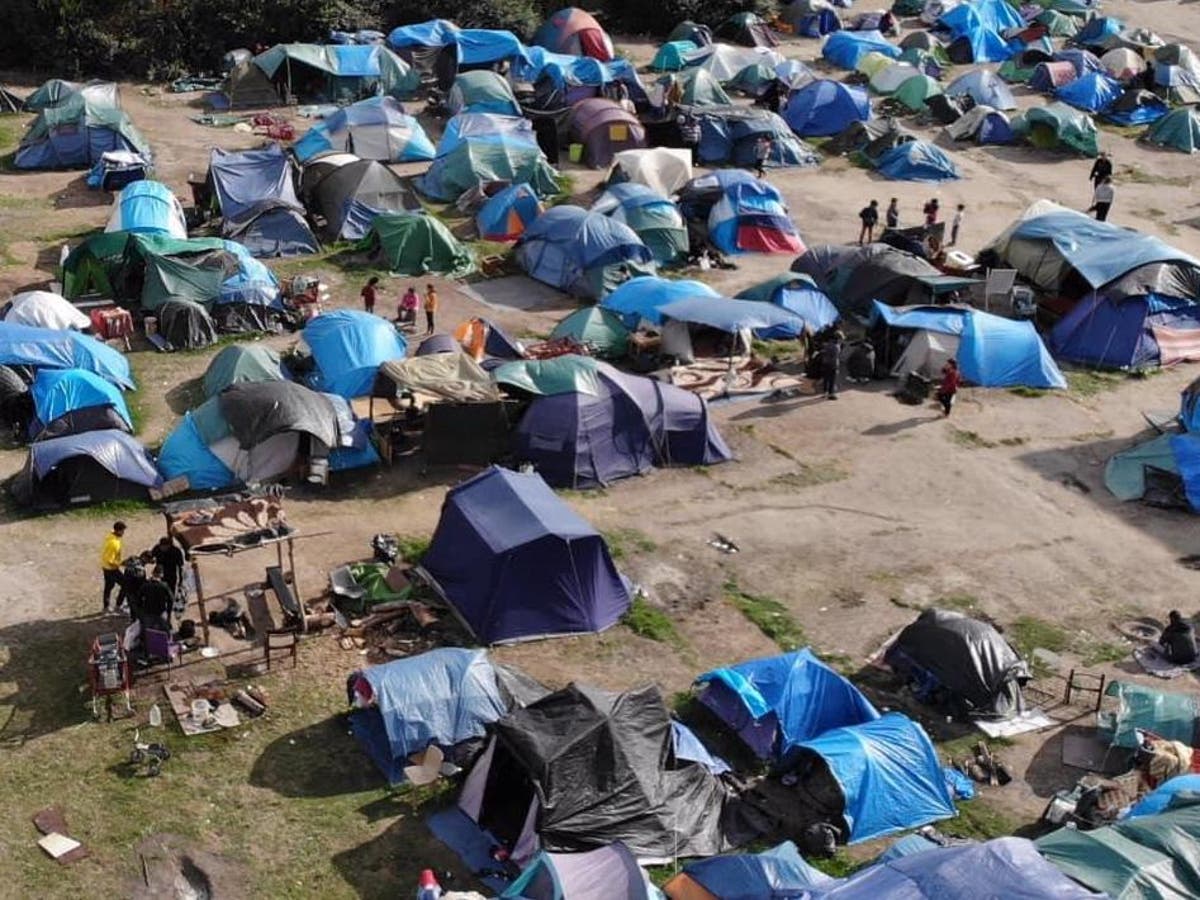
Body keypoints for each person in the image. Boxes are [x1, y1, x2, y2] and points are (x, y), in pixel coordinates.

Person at [100, 521, 126, 614]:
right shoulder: (113, 543)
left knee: (109, 586)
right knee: (125, 585)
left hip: (106, 567)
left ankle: (106, 607)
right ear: (119, 531)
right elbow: (110, 560)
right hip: (111, 569)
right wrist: (121, 563)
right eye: (123, 531)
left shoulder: (111, 536)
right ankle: (118, 605)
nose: (123, 533)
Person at [820, 326, 844, 399]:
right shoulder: (836, 347)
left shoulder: (828, 344)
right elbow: (835, 358)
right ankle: (831, 394)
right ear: (838, 339)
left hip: (825, 363)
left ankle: (825, 393)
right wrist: (836, 367)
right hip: (832, 365)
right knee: (832, 380)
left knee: (826, 379)